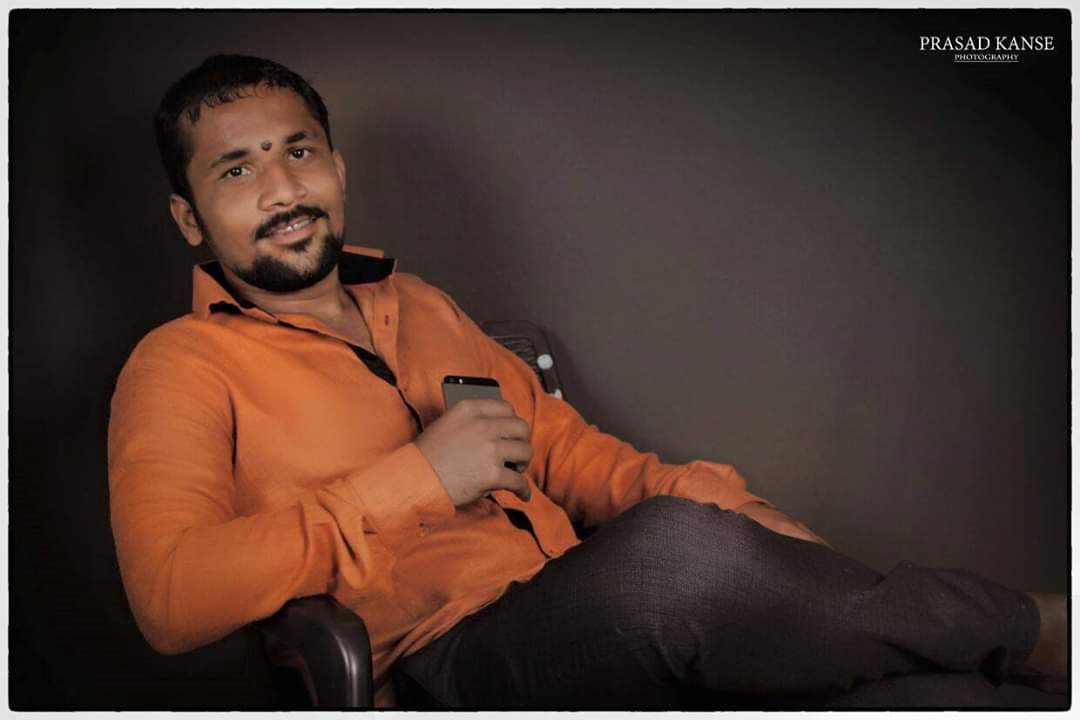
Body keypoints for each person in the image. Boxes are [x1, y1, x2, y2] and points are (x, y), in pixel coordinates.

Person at [108, 54, 1066, 708]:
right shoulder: (180, 366)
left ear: (336, 168)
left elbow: (563, 451)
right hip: (456, 659)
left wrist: (731, 515)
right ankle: (1030, 627)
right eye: (236, 171)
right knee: (678, 558)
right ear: (190, 218)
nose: (282, 189)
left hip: (589, 607)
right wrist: (415, 481)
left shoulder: (423, 304)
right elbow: (171, 599)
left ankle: (994, 661)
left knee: (917, 690)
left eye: (298, 151)